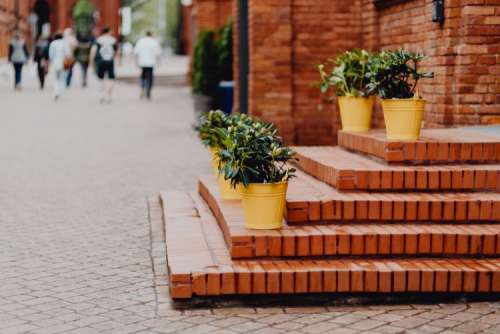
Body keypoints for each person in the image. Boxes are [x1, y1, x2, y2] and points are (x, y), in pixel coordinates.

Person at [90, 27, 118, 103]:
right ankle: (109, 95)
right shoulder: (113, 40)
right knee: (111, 79)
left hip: (100, 61)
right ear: (108, 31)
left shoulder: (99, 40)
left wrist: (92, 62)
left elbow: (93, 51)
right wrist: (118, 60)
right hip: (110, 61)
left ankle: (101, 95)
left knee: (101, 79)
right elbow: (117, 51)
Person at [133, 31, 162, 99]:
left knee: (143, 76)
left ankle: (142, 88)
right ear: (151, 35)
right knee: (150, 77)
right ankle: (148, 90)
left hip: (142, 62)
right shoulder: (154, 42)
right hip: (151, 63)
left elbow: (136, 52)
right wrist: (159, 63)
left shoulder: (140, 41)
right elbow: (158, 53)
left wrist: (136, 62)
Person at [48, 32, 71, 100]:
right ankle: (60, 91)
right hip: (63, 63)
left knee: (56, 78)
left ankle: (56, 92)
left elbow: (50, 55)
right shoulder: (65, 43)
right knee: (62, 78)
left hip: (55, 63)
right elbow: (68, 54)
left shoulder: (53, 43)